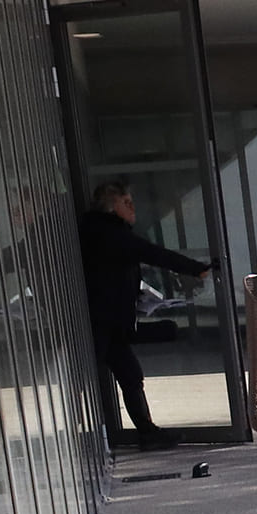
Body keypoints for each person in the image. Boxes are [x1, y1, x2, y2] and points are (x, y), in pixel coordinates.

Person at [79, 179, 211, 450]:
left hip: (108, 323)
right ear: (111, 207)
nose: (133, 208)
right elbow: (153, 254)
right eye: (126, 202)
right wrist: (196, 268)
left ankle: (148, 432)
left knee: (130, 374)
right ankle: (131, 433)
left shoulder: (104, 230)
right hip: (101, 322)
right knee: (101, 376)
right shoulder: (108, 232)